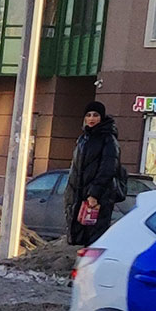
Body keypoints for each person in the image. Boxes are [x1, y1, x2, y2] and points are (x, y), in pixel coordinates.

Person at [65, 100, 122, 246]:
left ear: (101, 118)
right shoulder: (83, 139)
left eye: (95, 115)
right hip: (81, 195)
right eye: (88, 115)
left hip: (98, 198)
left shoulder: (108, 139)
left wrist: (94, 194)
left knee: (95, 237)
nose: (91, 118)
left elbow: (108, 168)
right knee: (82, 235)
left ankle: (93, 266)